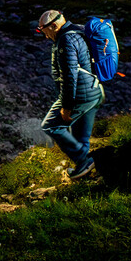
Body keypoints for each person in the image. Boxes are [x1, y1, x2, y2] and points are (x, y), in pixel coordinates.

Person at [37, 10, 105, 178]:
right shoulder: (79, 30)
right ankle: (87, 171)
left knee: (50, 125)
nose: (46, 36)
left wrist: (66, 106)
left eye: (44, 31)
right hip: (94, 89)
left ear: (53, 25)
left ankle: (84, 161)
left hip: (81, 94)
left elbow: (69, 75)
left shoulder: (65, 40)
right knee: (81, 136)